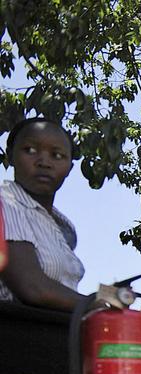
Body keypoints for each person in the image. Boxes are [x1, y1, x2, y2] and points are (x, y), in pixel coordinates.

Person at [0, 117, 87, 311]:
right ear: (10, 156)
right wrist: (98, 304)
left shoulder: (63, 226)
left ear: (69, 168)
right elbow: (32, 288)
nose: (44, 162)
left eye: (57, 155)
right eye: (30, 150)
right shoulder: (5, 204)